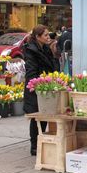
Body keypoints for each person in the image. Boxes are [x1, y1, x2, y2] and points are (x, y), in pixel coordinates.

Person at [23, 25, 60, 156]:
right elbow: (31, 72)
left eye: (48, 34)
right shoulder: (30, 50)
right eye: (45, 35)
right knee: (37, 118)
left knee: (44, 116)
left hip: (45, 87)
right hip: (35, 88)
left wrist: (55, 54)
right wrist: (38, 84)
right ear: (38, 37)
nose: (48, 37)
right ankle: (34, 146)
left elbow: (54, 68)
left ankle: (40, 142)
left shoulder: (46, 48)